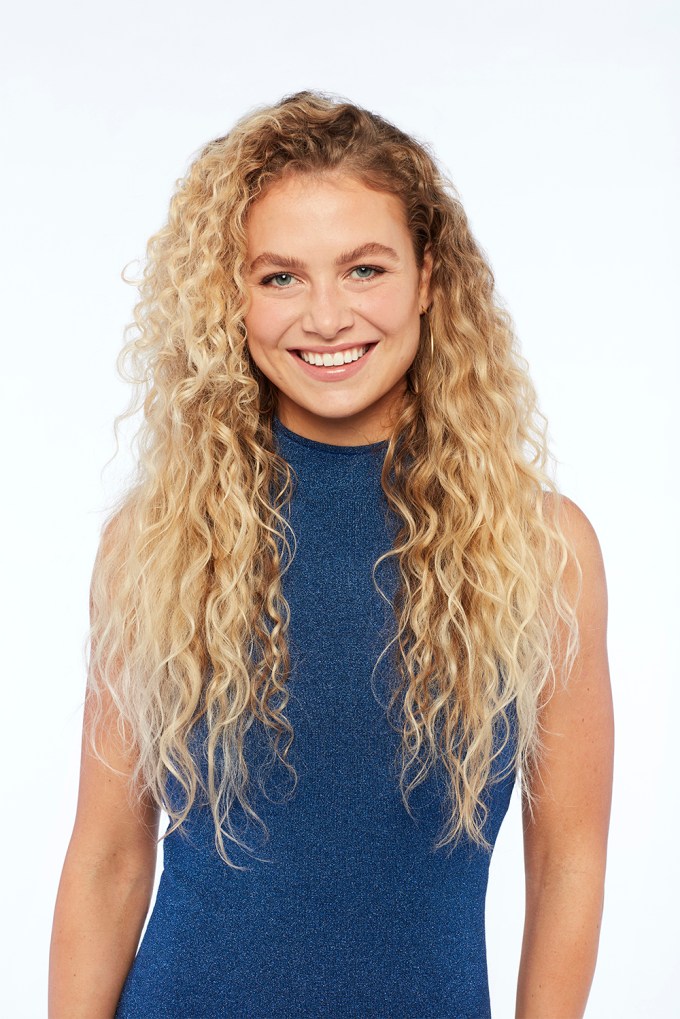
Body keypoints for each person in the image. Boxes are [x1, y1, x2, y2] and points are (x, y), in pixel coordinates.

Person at [48, 90, 614, 1019]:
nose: (324, 316)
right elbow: (108, 856)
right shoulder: (156, 543)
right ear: (231, 297)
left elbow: (568, 858)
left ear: (428, 277)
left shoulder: (542, 548)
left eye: (363, 269)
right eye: (280, 277)